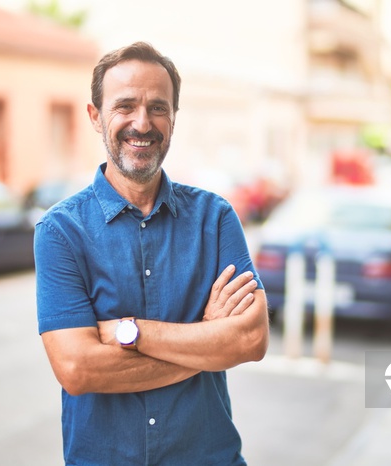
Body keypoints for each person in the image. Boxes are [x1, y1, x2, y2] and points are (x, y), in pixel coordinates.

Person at [34, 42, 269, 465]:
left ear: (174, 119)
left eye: (158, 108)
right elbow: (78, 370)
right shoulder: (60, 232)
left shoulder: (215, 219)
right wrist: (206, 340)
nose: (142, 123)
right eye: (125, 106)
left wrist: (132, 332)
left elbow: (250, 339)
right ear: (95, 116)